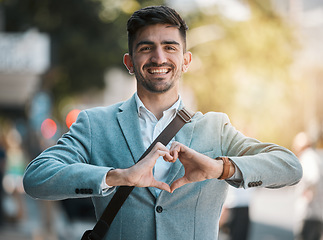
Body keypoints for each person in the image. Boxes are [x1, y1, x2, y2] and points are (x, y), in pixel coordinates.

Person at [23, 5, 302, 240]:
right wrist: (118, 176)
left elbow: (289, 167)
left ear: (185, 61)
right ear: (130, 62)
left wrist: (220, 168)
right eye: (146, 48)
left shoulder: (215, 128)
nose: (159, 57)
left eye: (170, 47)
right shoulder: (95, 124)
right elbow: (37, 177)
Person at [292, 132, 323, 240]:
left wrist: (308, 191)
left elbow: (313, 177)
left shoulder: (307, 157)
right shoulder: (315, 156)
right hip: (316, 213)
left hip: (309, 213)